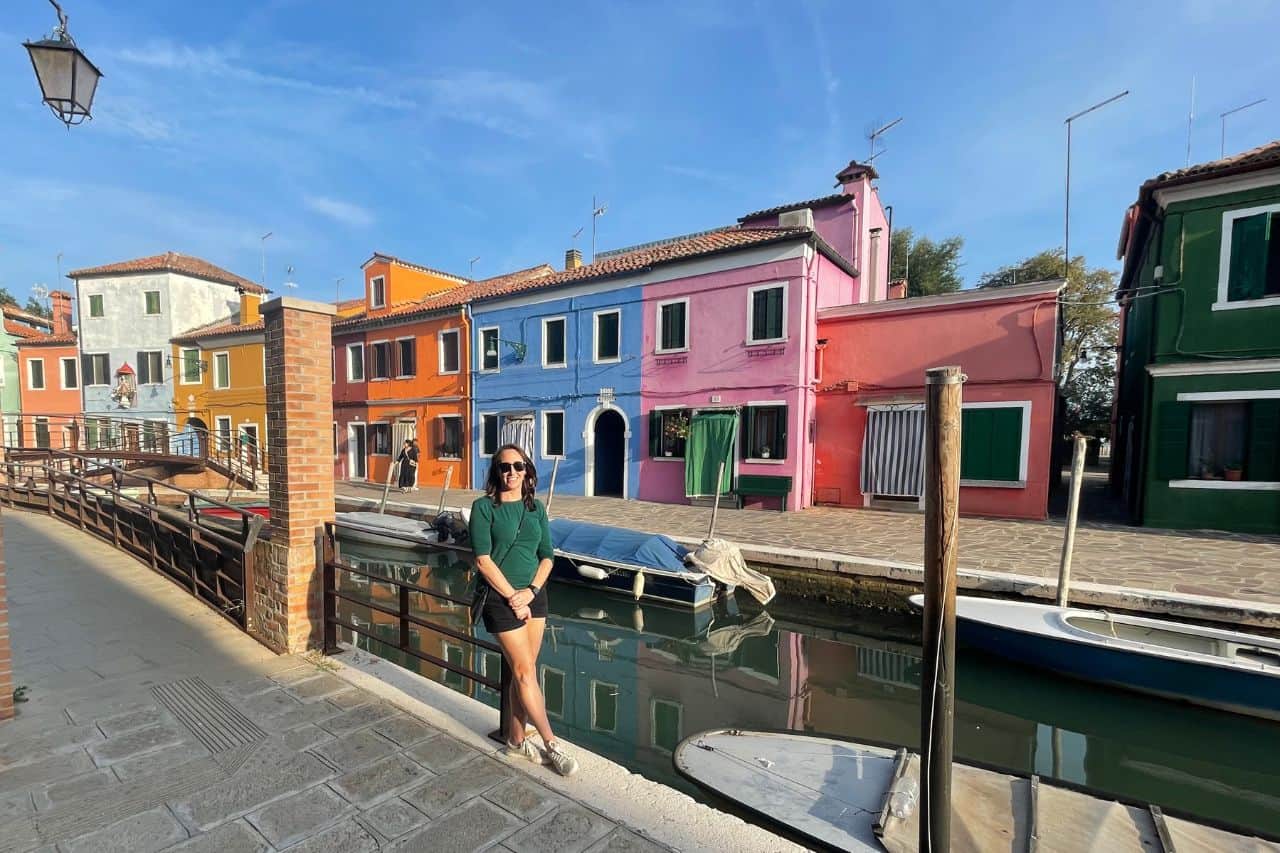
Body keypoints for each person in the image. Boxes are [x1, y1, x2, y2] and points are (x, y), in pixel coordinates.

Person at [469, 444, 579, 776]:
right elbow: (482, 560)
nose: (512, 472)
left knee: (526, 670)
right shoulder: (484, 508)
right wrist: (513, 597)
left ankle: (516, 741)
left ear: (528, 471)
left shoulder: (536, 510)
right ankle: (552, 744)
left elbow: (547, 555)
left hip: (534, 597)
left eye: (518, 466)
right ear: (495, 473)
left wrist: (530, 592)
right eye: (505, 467)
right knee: (523, 672)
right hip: (499, 600)